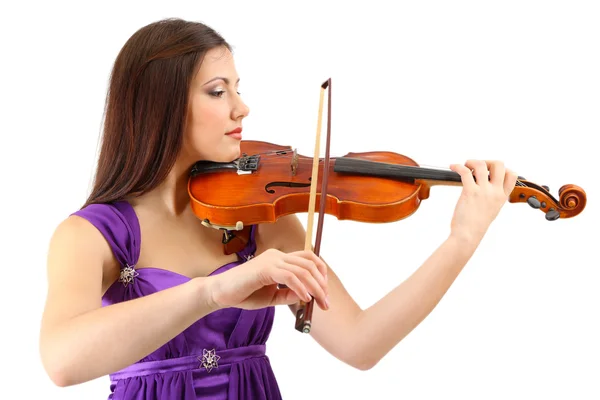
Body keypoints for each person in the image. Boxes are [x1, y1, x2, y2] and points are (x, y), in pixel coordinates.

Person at [39, 17, 518, 400]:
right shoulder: (92, 235)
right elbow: (61, 361)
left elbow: (361, 343)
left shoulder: (259, 221)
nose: (241, 108)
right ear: (158, 106)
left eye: (238, 88)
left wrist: (462, 241)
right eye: (218, 90)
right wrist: (213, 291)